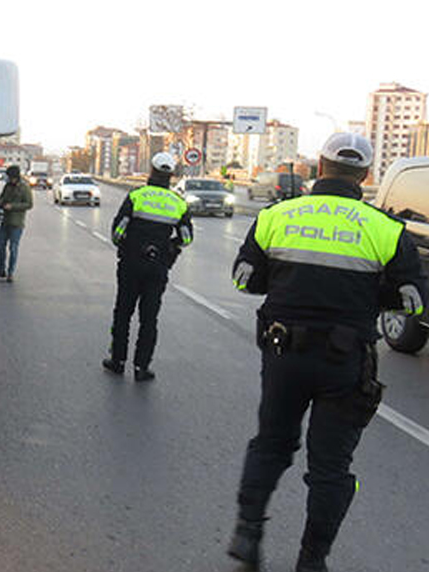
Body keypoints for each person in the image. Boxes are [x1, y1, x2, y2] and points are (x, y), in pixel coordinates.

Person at [226, 132, 426, 572]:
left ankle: (247, 532)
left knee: (271, 444)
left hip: (283, 356)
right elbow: (414, 301)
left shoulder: (276, 216)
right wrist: (374, 294)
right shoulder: (386, 230)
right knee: (331, 467)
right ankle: (311, 560)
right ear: (367, 175)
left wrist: (280, 282)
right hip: (345, 362)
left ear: (319, 167)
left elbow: (242, 279)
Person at [103, 152, 192, 381]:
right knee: (149, 318)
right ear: (171, 175)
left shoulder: (136, 196)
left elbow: (117, 232)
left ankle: (117, 361)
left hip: (131, 265)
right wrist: (169, 247)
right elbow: (187, 237)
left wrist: (129, 244)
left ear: (151, 171)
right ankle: (142, 367)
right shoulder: (178, 203)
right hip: (158, 267)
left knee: (123, 313)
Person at [0, 165, 32, 282]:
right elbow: (1, 198)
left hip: (17, 223)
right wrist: (0, 203)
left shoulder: (24, 188)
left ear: (16, 177)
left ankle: (10, 273)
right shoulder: (7, 186)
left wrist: (13, 206)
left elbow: (29, 204)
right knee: (0, 247)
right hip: (5, 221)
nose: (10, 179)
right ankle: (1, 270)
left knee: (13, 248)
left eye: (11, 177)